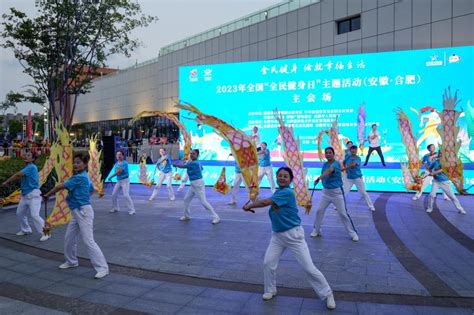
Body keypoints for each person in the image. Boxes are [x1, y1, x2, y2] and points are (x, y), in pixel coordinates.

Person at [243, 167, 336, 310]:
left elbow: (264, 203)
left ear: (290, 180)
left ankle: (328, 294)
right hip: (277, 236)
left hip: (294, 236)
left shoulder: (286, 192)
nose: (281, 178)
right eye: (279, 176)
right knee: (268, 263)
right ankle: (270, 290)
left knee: (309, 268)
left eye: (285, 176)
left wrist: (249, 205)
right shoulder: (279, 191)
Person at [43, 153, 109, 279]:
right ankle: (71, 261)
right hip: (77, 211)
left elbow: (59, 186)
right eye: (74, 162)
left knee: (88, 241)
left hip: (83, 212)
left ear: (84, 165)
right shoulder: (83, 176)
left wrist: (47, 194)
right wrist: (82, 198)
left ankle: (103, 268)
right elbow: (91, 189)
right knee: (69, 238)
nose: (75, 164)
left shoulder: (79, 178)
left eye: (78, 162)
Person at [311, 147, 359, 242]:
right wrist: (322, 180)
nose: (328, 154)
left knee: (343, 214)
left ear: (333, 154)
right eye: (326, 153)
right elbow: (325, 173)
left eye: (330, 152)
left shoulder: (336, 164)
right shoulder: (325, 164)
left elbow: (330, 171)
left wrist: (319, 178)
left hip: (337, 193)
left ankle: (353, 233)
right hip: (326, 193)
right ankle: (316, 230)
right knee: (319, 211)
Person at [1, 151, 50, 242]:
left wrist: (7, 182)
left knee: (35, 215)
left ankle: (46, 233)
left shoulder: (31, 167)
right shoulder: (27, 167)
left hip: (34, 196)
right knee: (20, 213)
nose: (26, 156)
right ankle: (26, 230)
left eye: (29, 155)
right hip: (25, 196)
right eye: (25, 155)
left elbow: (18, 175)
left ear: (33, 159)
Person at [173, 149, 220, 224]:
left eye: (193, 154)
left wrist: (176, 165)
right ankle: (186, 215)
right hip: (193, 184)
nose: (191, 155)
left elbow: (183, 166)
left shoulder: (194, 163)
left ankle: (216, 217)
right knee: (186, 199)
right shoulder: (196, 162)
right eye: (191, 153)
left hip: (198, 184)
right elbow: (201, 168)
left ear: (197, 155)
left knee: (203, 202)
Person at [343, 145, 375, 211]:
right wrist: (345, 169)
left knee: (363, 192)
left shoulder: (358, 158)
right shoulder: (347, 157)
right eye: (352, 149)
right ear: (350, 150)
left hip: (357, 178)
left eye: (355, 150)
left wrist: (344, 169)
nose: (354, 151)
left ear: (357, 151)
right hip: (349, 178)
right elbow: (344, 162)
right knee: (344, 192)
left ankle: (371, 206)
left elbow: (353, 165)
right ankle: (339, 205)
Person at [107, 149, 136, 215]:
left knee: (126, 195)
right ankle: (115, 208)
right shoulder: (116, 164)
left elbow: (119, 171)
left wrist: (111, 176)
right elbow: (116, 171)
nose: (119, 156)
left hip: (125, 181)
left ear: (123, 156)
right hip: (119, 181)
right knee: (113, 194)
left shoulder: (125, 163)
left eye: (120, 154)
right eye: (117, 155)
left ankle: (132, 210)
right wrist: (114, 175)